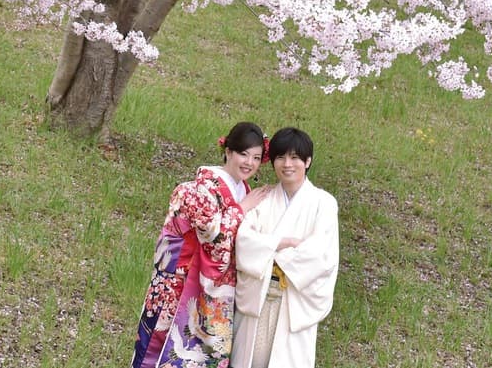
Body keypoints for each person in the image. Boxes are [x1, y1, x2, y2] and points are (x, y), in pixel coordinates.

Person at [131, 121, 266, 368]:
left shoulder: (242, 189)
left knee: (204, 353)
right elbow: (212, 237)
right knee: (164, 347)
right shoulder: (204, 187)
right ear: (228, 151)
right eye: (243, 154)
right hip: (183, 280)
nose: (249, 163)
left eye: (256, 158)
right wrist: (242, 209)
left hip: (215, 286)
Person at [230, 127, 339, 368]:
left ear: (307, 161)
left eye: (295, 157)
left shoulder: (324, 203)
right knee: (250, 360)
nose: (287, 164)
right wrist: (282, 243)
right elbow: (244, 241)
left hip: (293, 302)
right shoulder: (264, 198)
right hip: (258, 297)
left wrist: (268, 250)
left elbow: (321, 255)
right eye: (280, 157)